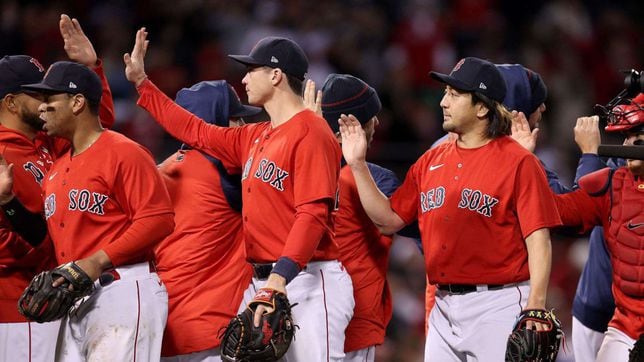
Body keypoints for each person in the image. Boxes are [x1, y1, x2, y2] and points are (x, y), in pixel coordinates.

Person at [126, 29, 354, 361]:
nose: (244, 78)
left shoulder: (312, 131)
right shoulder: (255, 135)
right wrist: (143, 84)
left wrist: (278, 278)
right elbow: (196, 130)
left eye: (251, 70)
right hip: (266, 282)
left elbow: (313, 214)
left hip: (307, 278)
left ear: (276, 75)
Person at [339, 57, 562, 361]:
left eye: (455, 95)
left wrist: (536, 304)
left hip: (498, 302)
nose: (443, 102)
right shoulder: (431, 160)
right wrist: (357, 165)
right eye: (445, 92)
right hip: (444, 304)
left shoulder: (519, 161)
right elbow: (388, 220)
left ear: (482, 107)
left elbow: (539, 239)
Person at [0, 59, 175, 361]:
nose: (42, 108)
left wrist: (96, 261)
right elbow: (48, 243)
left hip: (121, 287)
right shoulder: (56, 168)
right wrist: (9, 204)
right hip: (75, 298)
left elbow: (158, 220)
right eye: (39, 99)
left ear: (77, 102)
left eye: (49, 99)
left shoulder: (124, 152)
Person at [0, 14, 114, 362]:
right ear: (11, 104)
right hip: (18, 306)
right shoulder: (3, 154)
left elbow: (96, 129)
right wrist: (53, 257)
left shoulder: (48, 143)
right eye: (37, 94)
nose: (48, 99)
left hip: (57, 295)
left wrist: (91, 68)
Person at [156, 80, 261, 361]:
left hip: (163, 328)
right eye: (236, 118)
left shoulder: (161, 169)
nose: (242, 128)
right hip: (213, 329)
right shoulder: (228, 173)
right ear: (213, 123)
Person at [553, 94, 644, 362]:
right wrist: (524, 158)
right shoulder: (615, 180)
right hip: (619, 320)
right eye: (625, 136)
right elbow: (563, 213)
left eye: (635, 136)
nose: (627, 145)